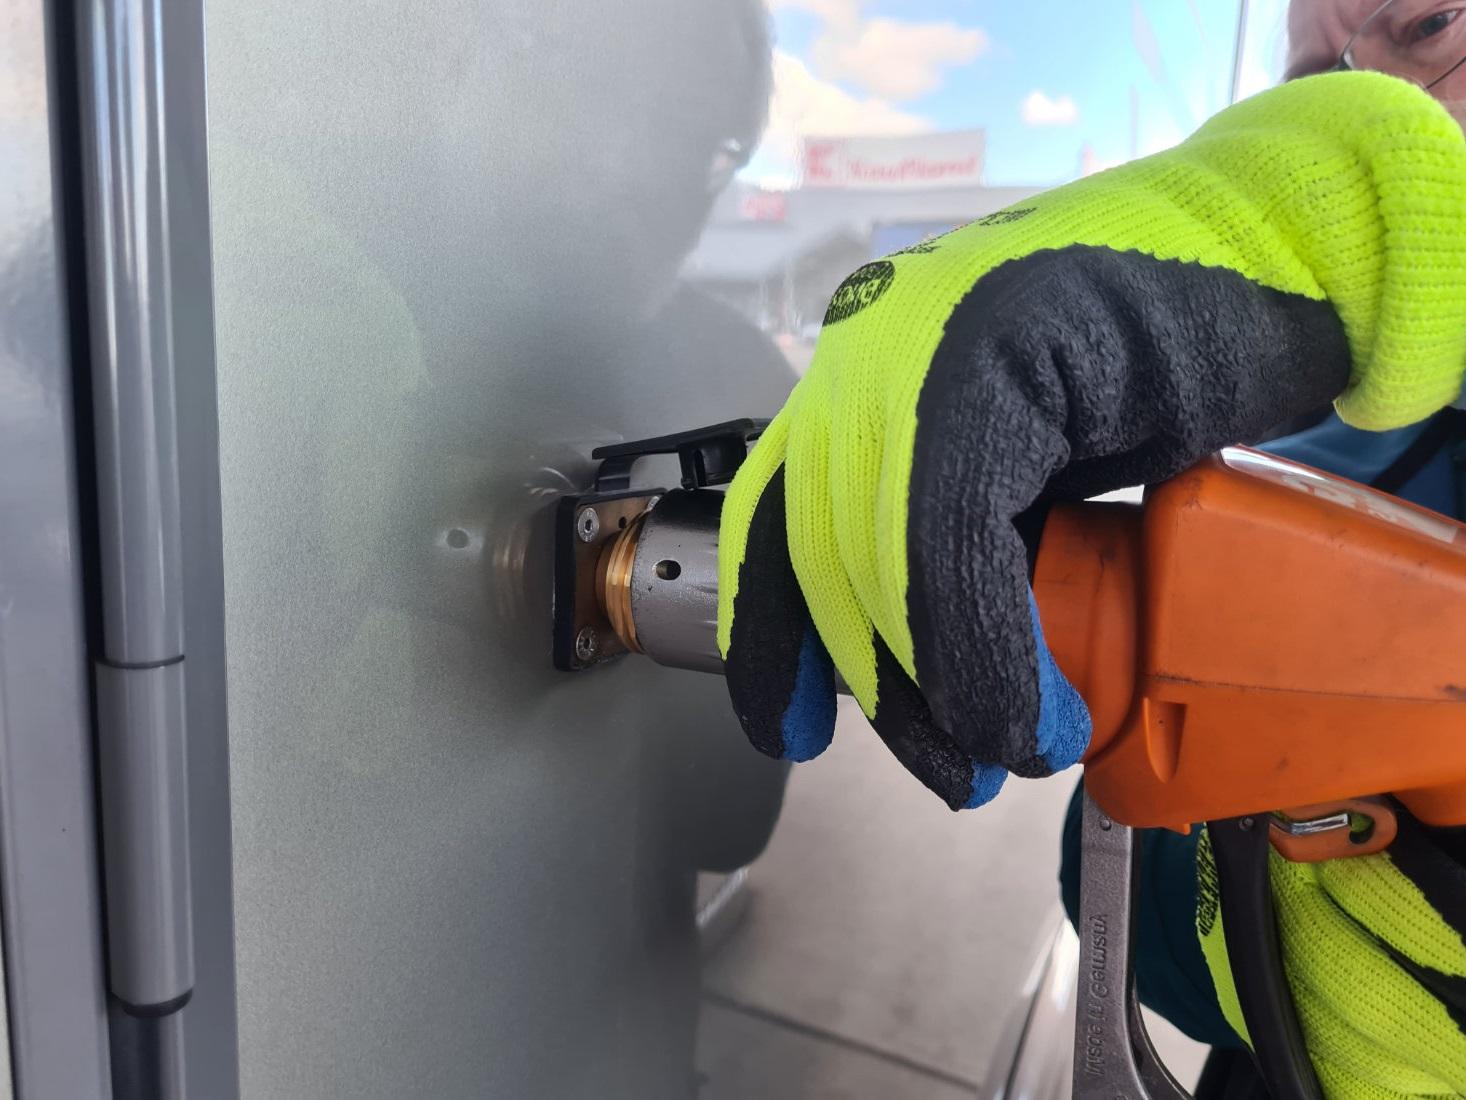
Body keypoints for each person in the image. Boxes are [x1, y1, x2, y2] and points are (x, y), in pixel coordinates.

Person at [715, 1, 1466, 1095]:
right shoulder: (1312, 446)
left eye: (1425, 24)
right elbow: (1112, 869)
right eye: (1309, 67)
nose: (1350, 93)